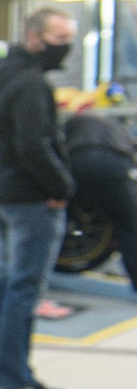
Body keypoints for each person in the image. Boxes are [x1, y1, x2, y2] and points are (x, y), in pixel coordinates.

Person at [0, 6, 79, 389]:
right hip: (30, 196)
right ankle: (14, 377)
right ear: (35, 38)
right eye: (59, 40)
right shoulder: (32, 84)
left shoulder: (5, 76)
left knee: (4, 283)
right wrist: (62, 186)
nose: (65, 49)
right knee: (22, 287)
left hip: (4, 191)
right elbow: (34, 144)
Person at [63, 85, 137, 293]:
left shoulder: (76, 112)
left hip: (77, 160)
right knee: (129, 226)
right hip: (114, 165)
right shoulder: (117, 122)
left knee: (51, 215)